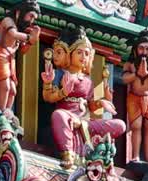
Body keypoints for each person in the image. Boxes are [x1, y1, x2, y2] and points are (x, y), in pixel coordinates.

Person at [42, 28, 125, 168]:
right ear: (70, 54)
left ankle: (83, 127)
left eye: (87, 54)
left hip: (84, 120)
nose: (83, 57)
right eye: (79, 52)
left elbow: (91, 105)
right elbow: (48, 97)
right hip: (67, 116)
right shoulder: (60, 74)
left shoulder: (88, 81)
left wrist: (101, 103)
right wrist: (62, 91)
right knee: (58, 115)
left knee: (121, 125)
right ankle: (68, 153)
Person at [0, 1, 39, 122]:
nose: (31, 21)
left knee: (12, 89)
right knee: (4, 86)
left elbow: (23, 50)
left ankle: (7, 113)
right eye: (30, 16)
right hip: (0, 54)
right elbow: (13, 34)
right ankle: (0, 112)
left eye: (34, 18)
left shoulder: (22, 30)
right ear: (19, 12)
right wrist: (29, 37)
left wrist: (32, 41)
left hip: (11, 58)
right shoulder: (8, 21)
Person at [121, 31, 148, 164]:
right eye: (141, 48)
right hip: (135, 97)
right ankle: (135, 155)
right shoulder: (130, 65)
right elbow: (125, 79)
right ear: (136, 50)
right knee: (136, 125)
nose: (144, 52)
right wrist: (137, 74)